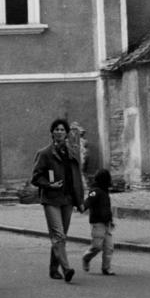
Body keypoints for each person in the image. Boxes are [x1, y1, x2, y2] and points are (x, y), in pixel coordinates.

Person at [30, 118, 85, 283]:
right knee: (58, 235)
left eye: (62, 130)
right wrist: (48, 184)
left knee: (60, 237)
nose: (59, 132)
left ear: (66, 133)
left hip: (67, 199)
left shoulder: (72, 153)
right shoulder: (45, 153)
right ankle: (66, 269)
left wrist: (80, 200)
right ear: (52, 133)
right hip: (51, 199)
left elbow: (77, 178)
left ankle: (54, 268)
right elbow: (35, 177)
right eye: (56, 129)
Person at [81, 168, 116, 275]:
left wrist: (111, 220)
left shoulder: (105, 191)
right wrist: (82, 207)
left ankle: (106, 268)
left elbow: (107, 208)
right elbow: (88, 202)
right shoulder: (95, 191)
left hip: (106, 223)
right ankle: (86, 258)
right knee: (97, 246)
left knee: (109, 247)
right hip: (97, 223)